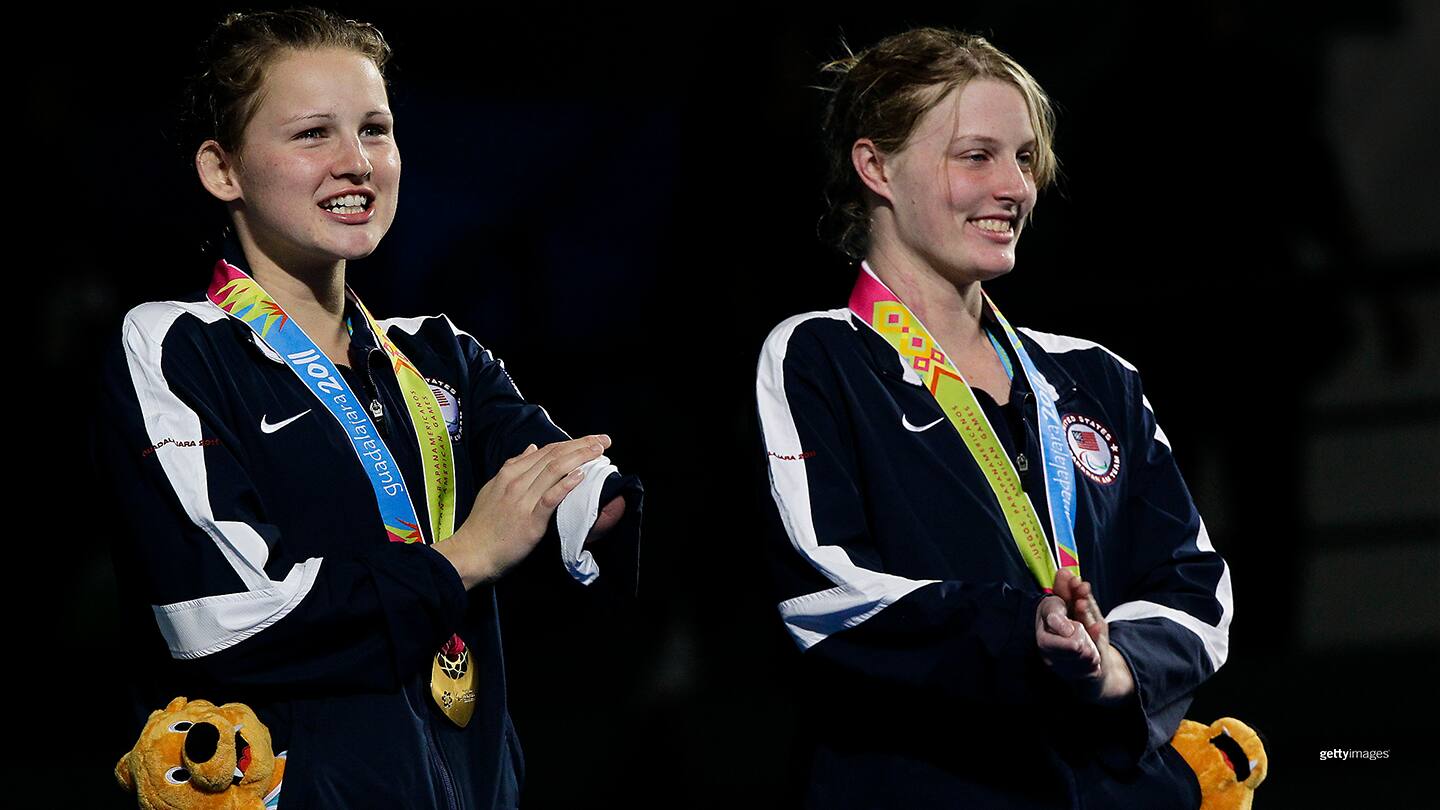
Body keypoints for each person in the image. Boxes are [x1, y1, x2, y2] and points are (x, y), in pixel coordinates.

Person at [94, 8, 640, 809]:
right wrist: (466, 558)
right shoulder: (178, 346)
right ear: (223, 171)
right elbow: (222, 619)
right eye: (314, 134)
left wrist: (599, 500)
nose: (357, 164)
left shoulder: (441, 354)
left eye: (375, 130)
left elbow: (583, 490)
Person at [754, 28, 1231, 809]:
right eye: (976, 156)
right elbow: (825, 593)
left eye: (1025, 157)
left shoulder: (1095, 378)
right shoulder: (821, 358)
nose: (1014, 186)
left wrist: (1115, 667)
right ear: (875, 167)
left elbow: (1196, 585)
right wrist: (1025, 632)